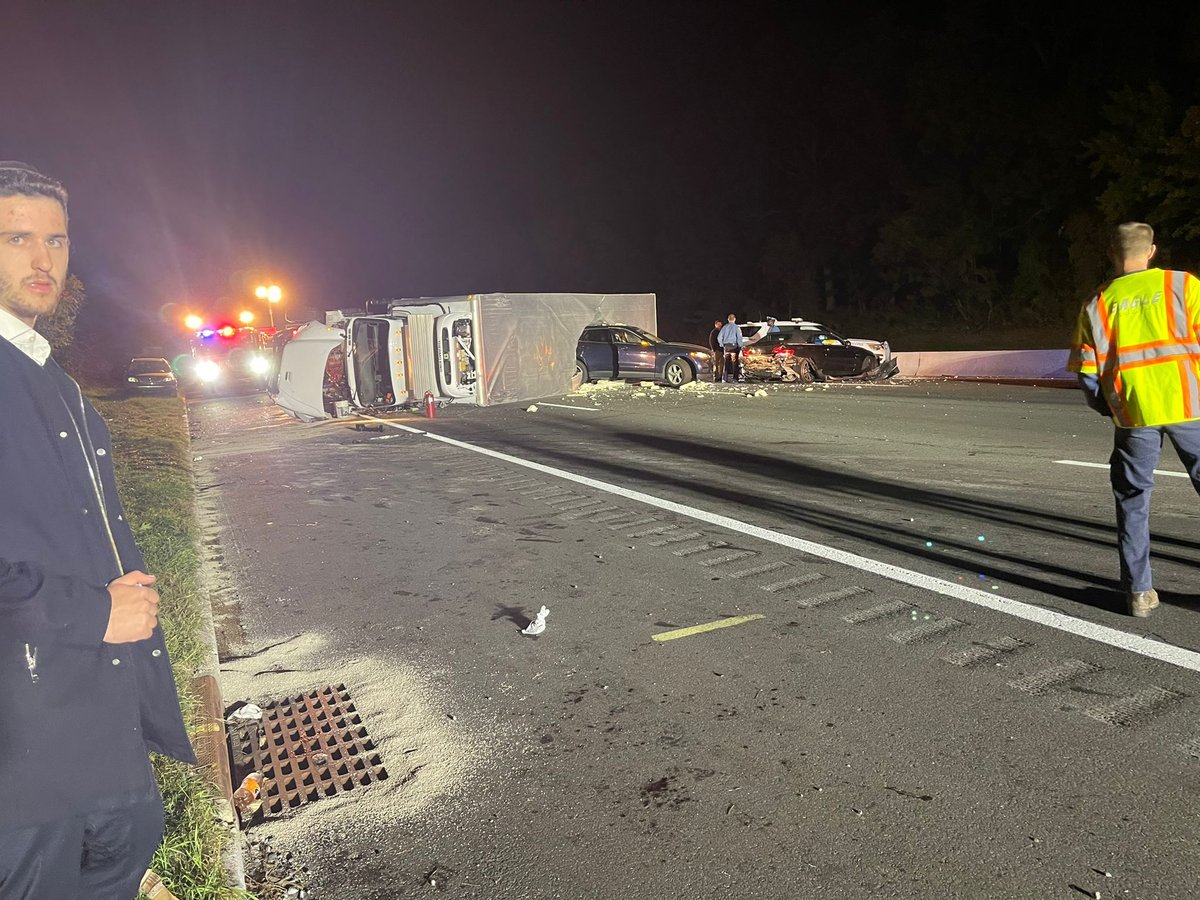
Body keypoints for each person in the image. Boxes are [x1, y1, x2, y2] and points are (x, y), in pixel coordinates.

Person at [0, 162, 195, 898]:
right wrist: (95, 613)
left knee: (128, 844)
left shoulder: (48, 374)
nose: (43, 259)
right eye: (17, 238)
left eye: (56, 239)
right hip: (24, 751)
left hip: (97, 722)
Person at [1069, 222, 1200, 617]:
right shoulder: (1184, 286)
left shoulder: (1097, 303)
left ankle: (1140, 593)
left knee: (1132, 499)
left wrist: (1110, 407)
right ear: (1152, 251)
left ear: (1112, 254)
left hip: (1133, 415)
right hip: (1191, 406)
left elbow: (1087, 373)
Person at [717, 313, 745, 383]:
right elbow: (739, 338)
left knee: (726, 363)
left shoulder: (724, 327)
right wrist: (740, 346)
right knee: (734, 363)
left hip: (726, 347)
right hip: (734, 346)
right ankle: (735, 379)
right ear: (734, 319)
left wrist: (722, 344)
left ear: (728, 319)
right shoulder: (737, 327)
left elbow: (719, 337)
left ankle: (724, 379)